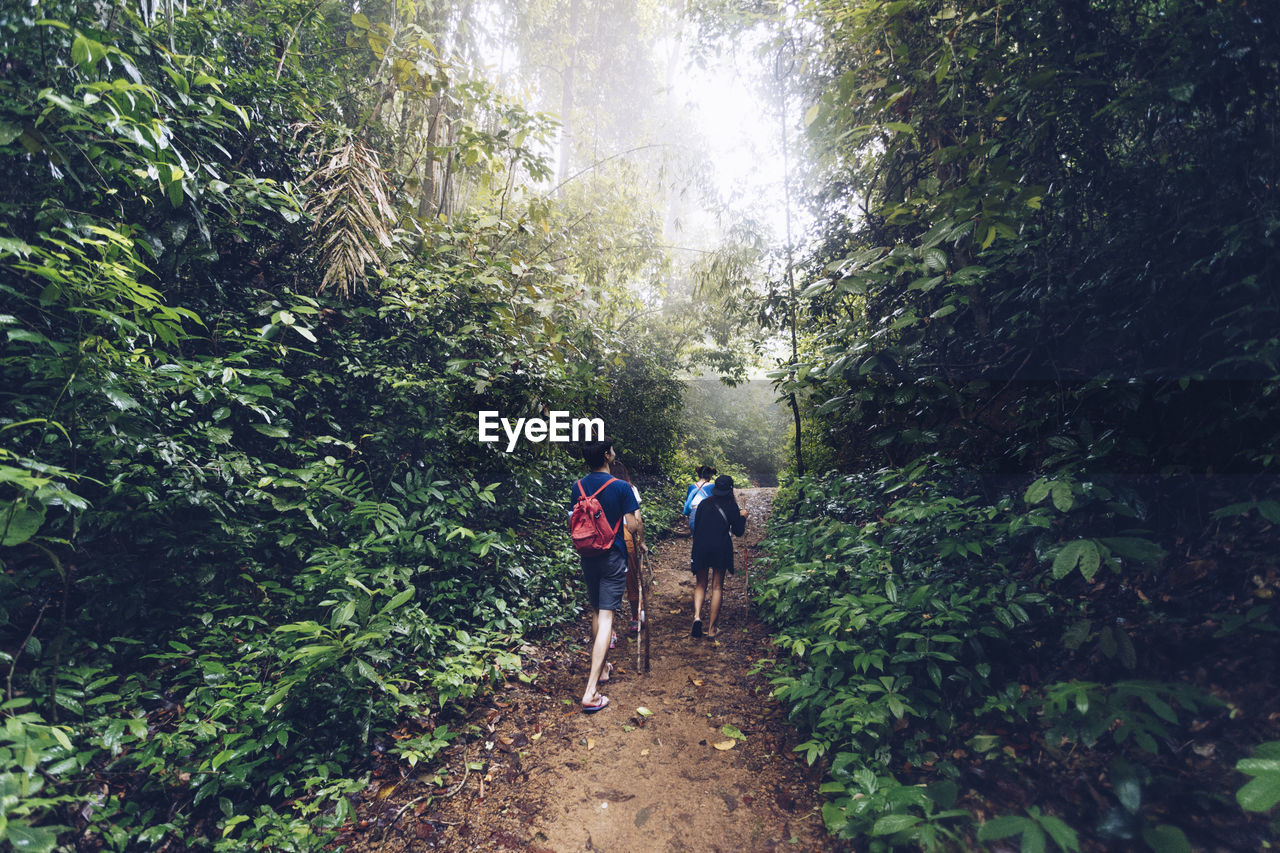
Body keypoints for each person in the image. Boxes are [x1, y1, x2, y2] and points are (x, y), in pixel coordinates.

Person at [571, 436, 641, 712]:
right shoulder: (622, 487)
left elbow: (573, 521)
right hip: (613, 555)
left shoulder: (577, 486)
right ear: (607, 456)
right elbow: (633, 526)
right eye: (611, 450)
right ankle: (591, 691)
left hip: (587, 555)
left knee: (597, 610)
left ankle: (602, 670)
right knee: (607, 615)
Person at [689, 474, 746, 639]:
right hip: (721, 547)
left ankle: (697, 617)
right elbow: (738, 531)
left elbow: (696, 526)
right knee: (717, 587)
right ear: (730, 489)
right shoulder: (732, 506)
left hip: (700, 546)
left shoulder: (704, 504)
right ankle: (712, 629)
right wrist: (742, 517)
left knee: (700, 584)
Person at [609, 459, 646, 632]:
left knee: (610, 584)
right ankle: (634, 619)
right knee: (631, 579)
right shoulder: (630, 489)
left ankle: (611, 630)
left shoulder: (603, 487)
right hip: (625, 536)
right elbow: (637, 520)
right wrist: (642, 541)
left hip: (606, 536)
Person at [682, 464, 716, 532]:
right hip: (710, 515)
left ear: (698, 475)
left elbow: (687, 507)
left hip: (694, 515)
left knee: (697, 539)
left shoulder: (692, 487)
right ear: (710, 475)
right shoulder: (714, 487)